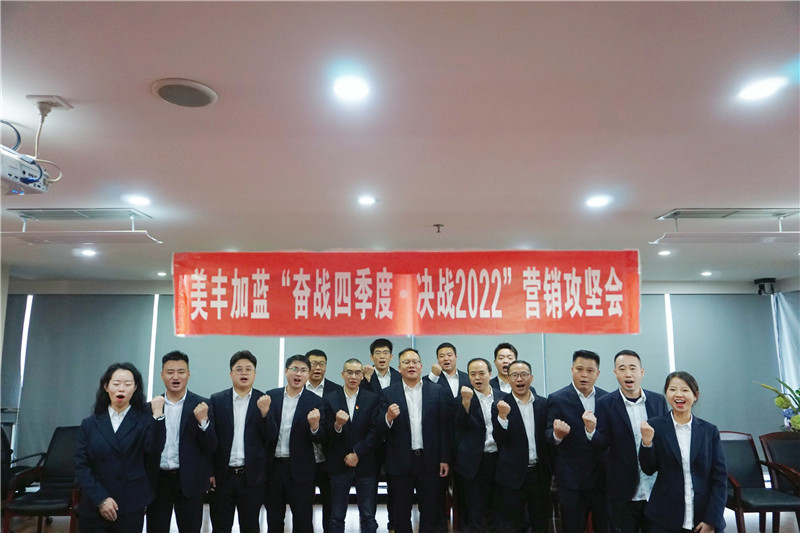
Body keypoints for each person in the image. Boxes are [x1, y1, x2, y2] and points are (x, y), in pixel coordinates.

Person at [75, 362, 166, 533]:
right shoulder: (89, 424)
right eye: (116, 384)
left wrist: (158, 416)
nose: (121, 389)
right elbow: (81, 466)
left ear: (135, 388)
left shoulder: (145, 420)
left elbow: (154, 449)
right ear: (106, 386)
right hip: (95, 502)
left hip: (130, 502)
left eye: (128, 384)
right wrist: (101, 499)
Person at [584, 349, 668, 533]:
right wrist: (590, 430)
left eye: (632, 368)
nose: (628, 374)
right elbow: (601, 444)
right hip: (623, 491)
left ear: (642, 372)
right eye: (622, 369)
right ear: (616, 373)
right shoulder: (605, 403)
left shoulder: (658, 401)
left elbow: (664, 442)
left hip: (655, 489)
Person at [639, 372, 727, 533]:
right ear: (667, 394)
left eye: (685, 390)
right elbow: (648, 469)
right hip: (665, 516)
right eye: (673, 389)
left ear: (695, 396)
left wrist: (712, 520)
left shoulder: (709, 431)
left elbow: (719, 478)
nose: (678, 394)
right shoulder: (655, 426)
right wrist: (647, 443)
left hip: (703, 516)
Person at [146, 351, 217, 533]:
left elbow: (211, 446)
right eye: (170, 372)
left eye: (181, 372)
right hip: (158, 481)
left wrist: (203, 422)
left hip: (190, 481)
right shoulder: (152, 407)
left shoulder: (202, 405)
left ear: (188, 374)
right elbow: (147, 447)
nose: (175, 377)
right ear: (162, 375)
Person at [383, 348, 451, 533]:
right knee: (401, 512)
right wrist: (388, 417)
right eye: (406, 362)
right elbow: (379, 428)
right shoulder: (388, 393)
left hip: (430, 460)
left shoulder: (437, 391)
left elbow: (444, 428)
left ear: (421, 366)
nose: (411, 365)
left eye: (415, 362)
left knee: (430, 510)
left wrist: (444, 458)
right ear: (399, 368)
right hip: (399, 461)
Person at [208, 351, 277, 533]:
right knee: (220, 527)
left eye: (248, 369)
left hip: (251, 478)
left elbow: (271, 436)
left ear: (255, 373)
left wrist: (265, 413)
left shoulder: (263, 400)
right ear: (231, 374)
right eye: (239, 369)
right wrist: (210, 471)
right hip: (223, 477)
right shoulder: (217, 400)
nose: (244, 373)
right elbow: (211, 441)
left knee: (250, 526)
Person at [546, 349, 609, 533]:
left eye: (590, 371)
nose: (584, 375)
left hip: (602, 480)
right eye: (579, 369)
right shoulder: (557, 399)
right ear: (572, 369)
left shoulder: (607, 398)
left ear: (598, 374)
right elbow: (548, 435)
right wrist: (557, 435)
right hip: (571, 481)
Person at [265, 354, 326, 533]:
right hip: (274, 468)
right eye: (294, 369)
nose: (298, 374)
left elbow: (321, 438)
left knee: (303, 521)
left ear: (308, 375)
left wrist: (315, 426)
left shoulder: (315, 401)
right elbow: (263, 432)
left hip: (301, 471)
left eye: (303, 370)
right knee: (274, 520)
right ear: (286, 371)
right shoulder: (271, 396)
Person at [323, 358, 382, 533]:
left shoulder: (372, 398)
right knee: (336, 515)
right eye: (349, 372)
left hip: (365, 463)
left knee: (368, 515)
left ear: (362, 376)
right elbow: (326, 433)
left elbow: (375, 431)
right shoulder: (331, 398)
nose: (353, 377)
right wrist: (337, 426)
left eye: (357, 373)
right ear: (342, 374)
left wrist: (357, 453)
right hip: (338, 463)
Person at [492, 360, 550, 533]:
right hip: (512, 475)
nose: (519, 379)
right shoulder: (500, 405)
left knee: (540, 521)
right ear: (508, 379)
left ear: (531, 378)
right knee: (513, 523)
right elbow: (499, 440)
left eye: (524, 374)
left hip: (539, 474)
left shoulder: (544, 404)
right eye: (515, 375)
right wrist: (502, 417)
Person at [423, 342, 470, 530]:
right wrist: (433, 376)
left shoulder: (468, 378)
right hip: (439, 443)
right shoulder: (429, 380)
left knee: (464, 490)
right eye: (441, 355)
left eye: (449, 355)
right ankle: (440, 527)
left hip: (464, 442)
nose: (446, 359)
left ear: (456, 357)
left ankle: (462, 527)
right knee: (437, 491)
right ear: (437, 359)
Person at [453, 357, 501, 533]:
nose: (477, 377)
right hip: (473, 463)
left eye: (481, 373)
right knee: (474, 510)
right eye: (473, 374)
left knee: (498, 510)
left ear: (490, 374)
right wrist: (466, 403)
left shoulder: (503, 397)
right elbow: (457, 428)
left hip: (498, 460)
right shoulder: (461, 399)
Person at [305, 349, 344, 533]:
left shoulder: (336, 391)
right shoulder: (298, 388)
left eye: (321, 364)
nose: (317, 368)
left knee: (330, 504)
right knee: (304, 505)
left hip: (329, 458)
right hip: (304, 457)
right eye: (313, 364)